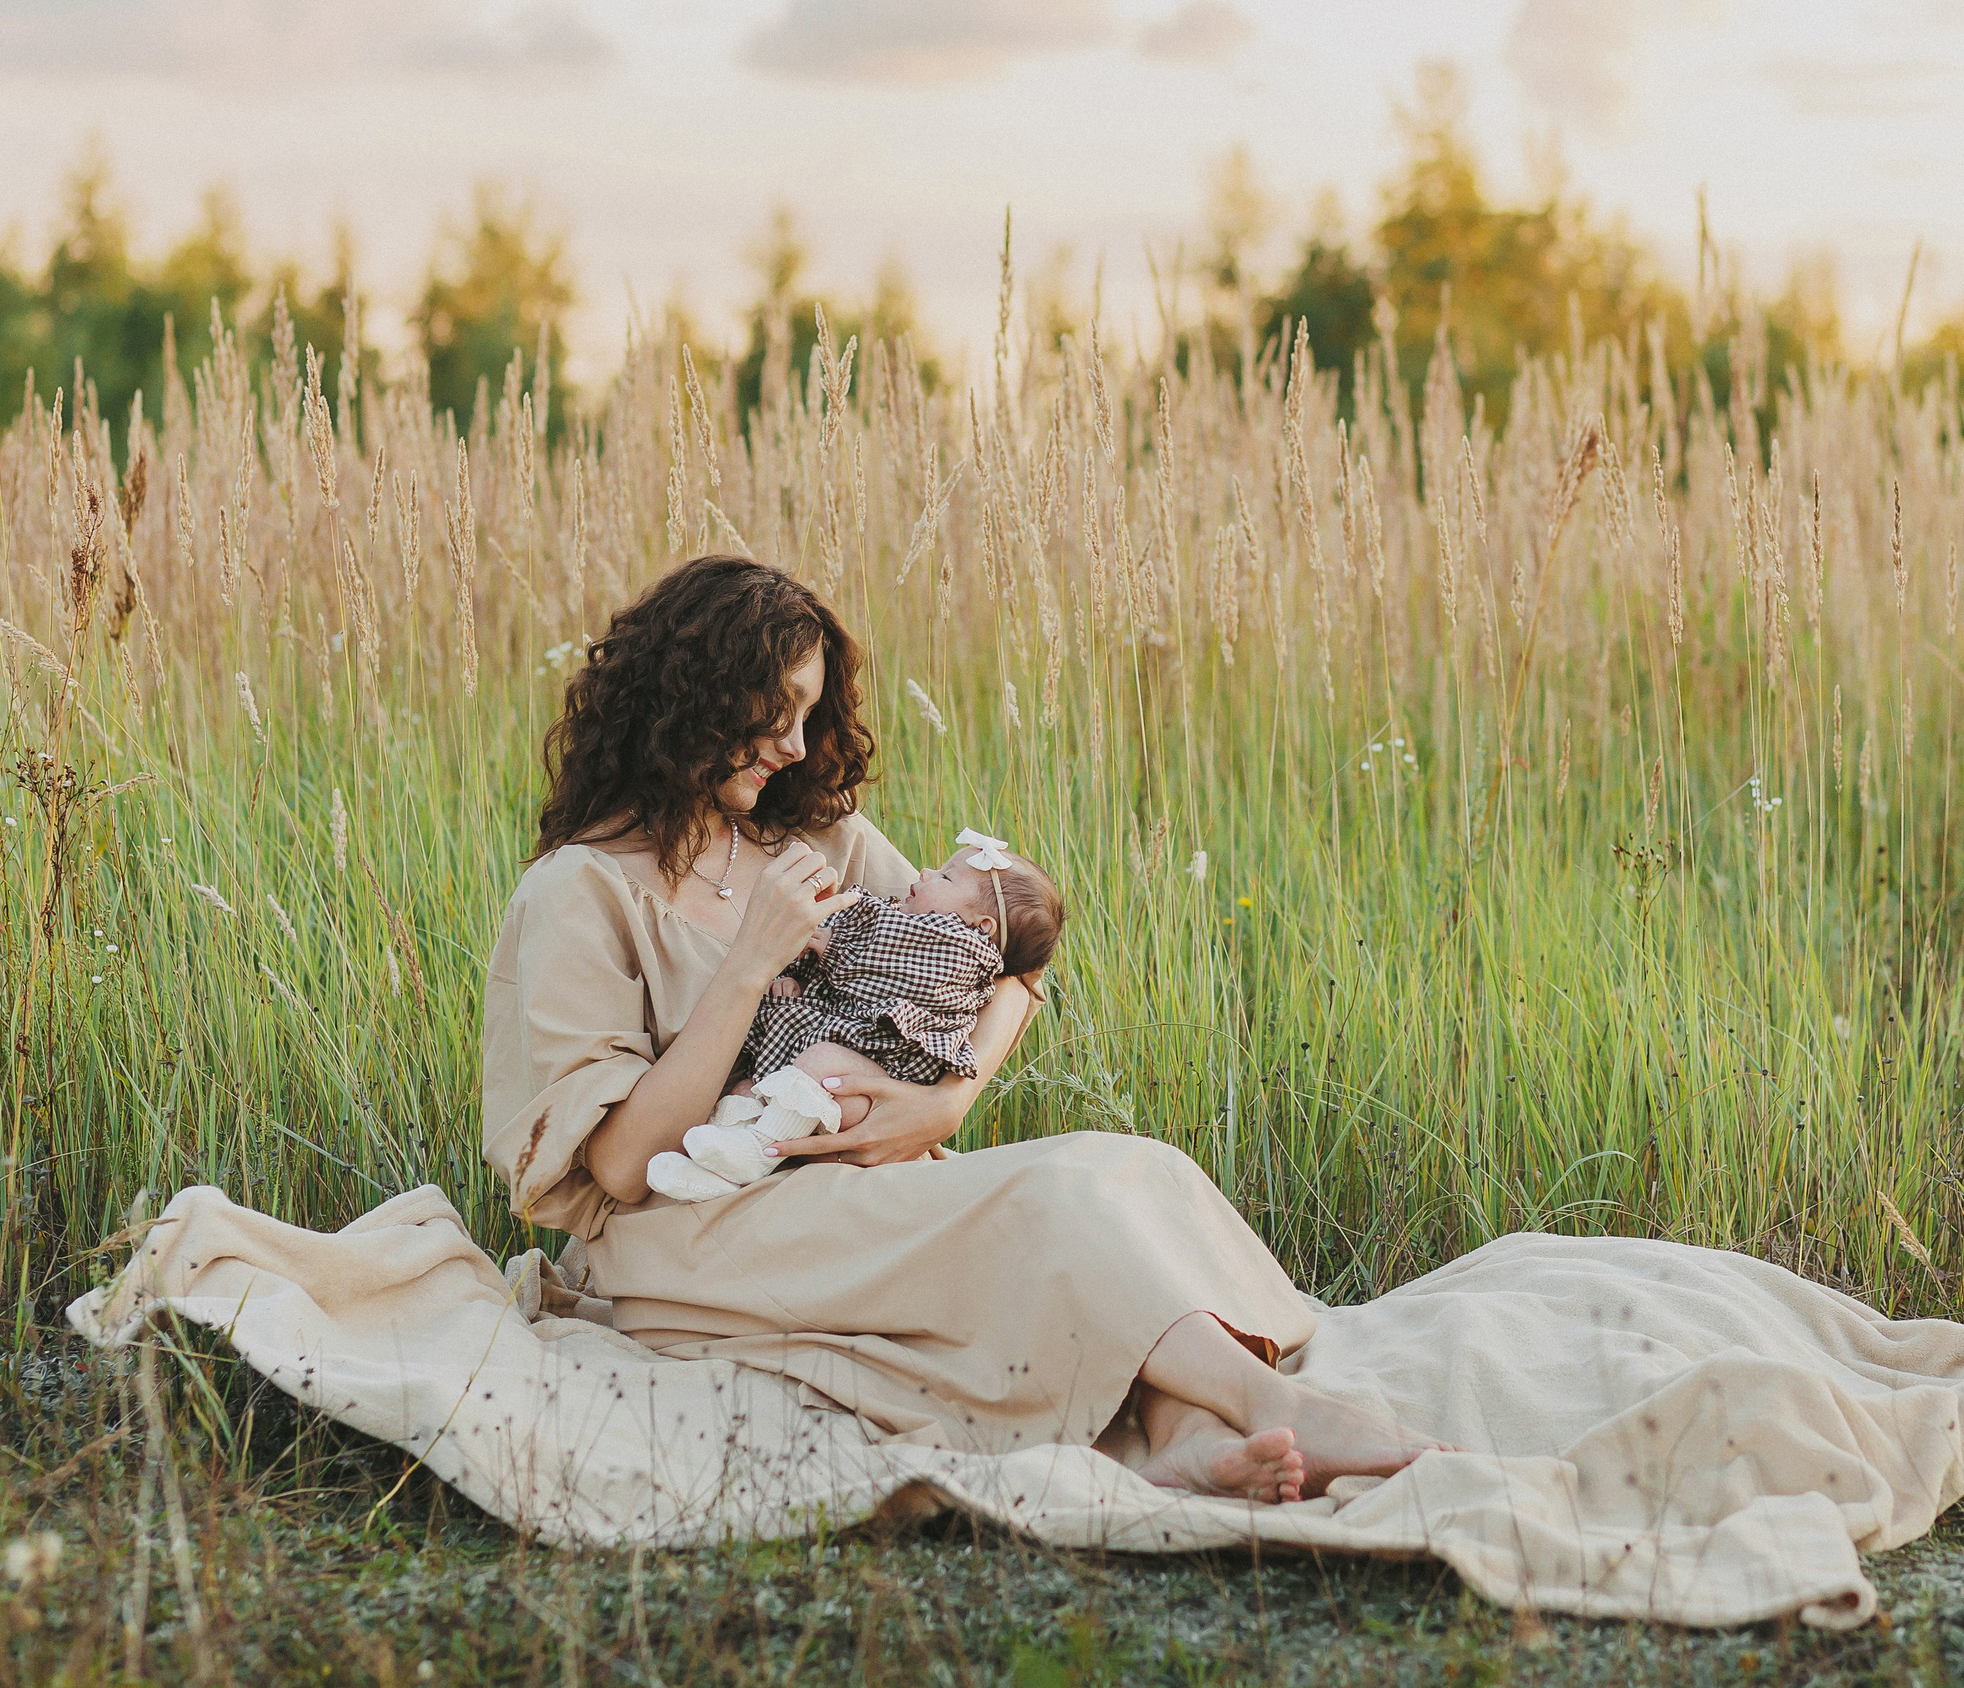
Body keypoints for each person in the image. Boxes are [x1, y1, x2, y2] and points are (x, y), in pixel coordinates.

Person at [481, 555, 1443, 1503]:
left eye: (811, 715)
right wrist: (745, 970)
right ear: (693, 698)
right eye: (776, 713)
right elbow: (617, 1166)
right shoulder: (579, 890)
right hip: (691, 1231)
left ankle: (1180, 1437)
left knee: (1134, 1169)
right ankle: (1272, 1401)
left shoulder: (818, 841)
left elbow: (1012, 966)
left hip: (856, 1184)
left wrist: (946, 1099)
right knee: (1050, 1209)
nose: (793, 743)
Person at [642, 838, 1067, 1202]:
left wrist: (833, 946)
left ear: (982, 925)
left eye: (945, 877)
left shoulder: (955, 948)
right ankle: (715, 1166)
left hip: (878, 1076)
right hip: (841, 1060)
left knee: (823, 1062)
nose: (925, 870)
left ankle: (754, 1151)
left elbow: (888, 972)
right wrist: (794, 978)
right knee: (748, 1088)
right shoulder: (917, 921)